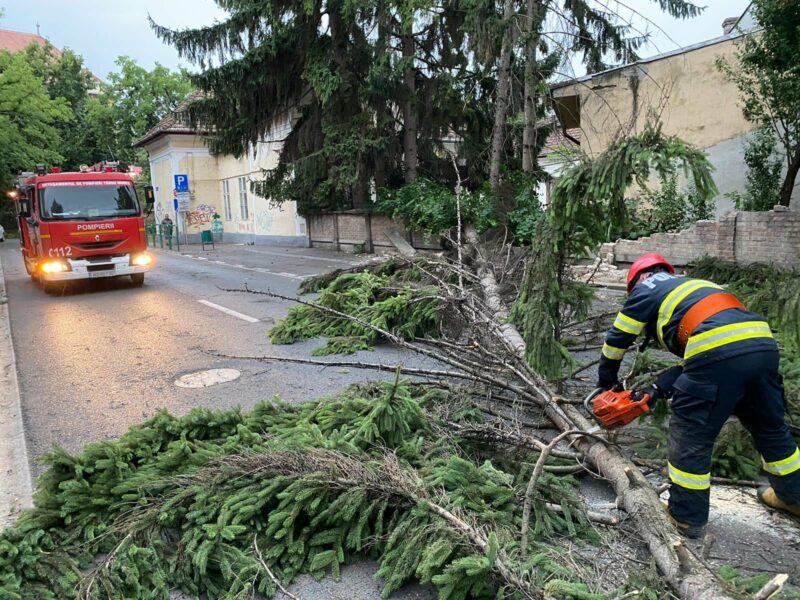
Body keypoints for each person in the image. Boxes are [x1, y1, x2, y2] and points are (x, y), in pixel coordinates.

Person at [598, 253, 800, 538]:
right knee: (770, 427)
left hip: (716, 349)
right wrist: (656, 389)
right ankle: (794, 498)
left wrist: (606, 382)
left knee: (692, 430)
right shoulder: (698, 286)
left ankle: (685, 516)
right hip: (762, 345)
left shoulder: (647, 288)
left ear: (640, 279)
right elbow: (706, 357)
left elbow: (616, 341)